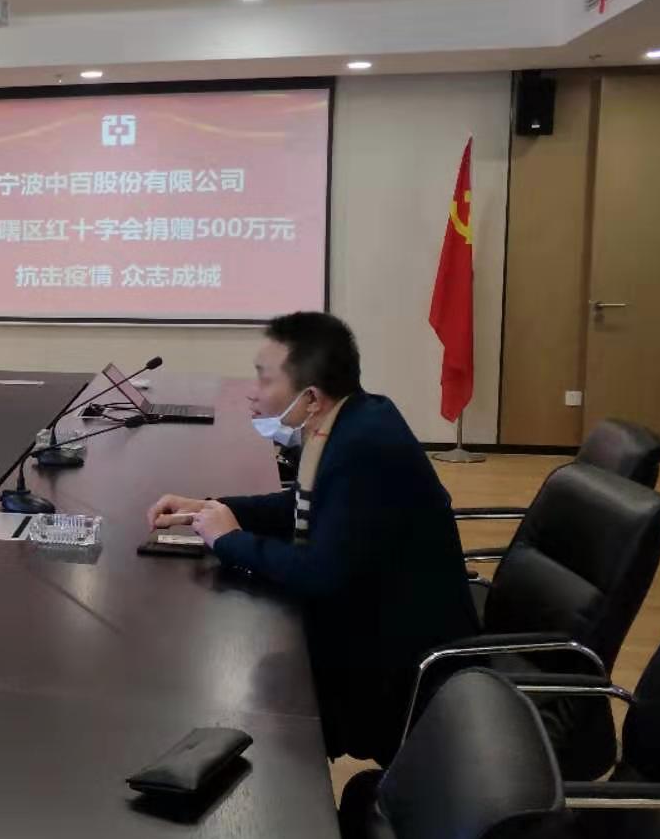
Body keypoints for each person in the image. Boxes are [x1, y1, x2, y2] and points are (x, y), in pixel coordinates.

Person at [145, 311, 477, 765]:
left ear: (311, 397)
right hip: (380, 618)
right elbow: (302, 505)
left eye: (265, 379)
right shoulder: (351, 419)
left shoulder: (362, 449)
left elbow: (321, 573)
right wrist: (209, 508)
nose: (253, 391)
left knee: (259, 710)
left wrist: (230, 541)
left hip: (403, 661)